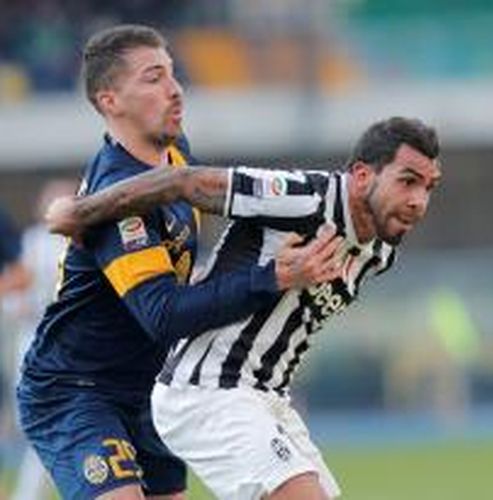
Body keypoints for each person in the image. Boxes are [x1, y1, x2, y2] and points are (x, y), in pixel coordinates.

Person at [16, 24, 343, 500]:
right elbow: (163, 315)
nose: (174, 89)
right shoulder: (120, 204)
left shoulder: (173, 157)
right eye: (153, 78)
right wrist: (271, 277)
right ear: (110, 101)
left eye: (172, 73)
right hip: (77, 388)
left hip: (148, 388)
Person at [46, 116, 442, 499]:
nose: (419, 202)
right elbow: (182, 182)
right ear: (361, 176)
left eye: (428, 188)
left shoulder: (380, 252)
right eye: (407, 182)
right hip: (208, 391)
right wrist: (82, 212)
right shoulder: (302, 197)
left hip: (269, 399)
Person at [2, 180, 77, 500]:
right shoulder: (32, 242)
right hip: (36, 345)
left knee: (50, 429)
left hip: (67, 348)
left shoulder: (83, 242)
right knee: (45, 429)